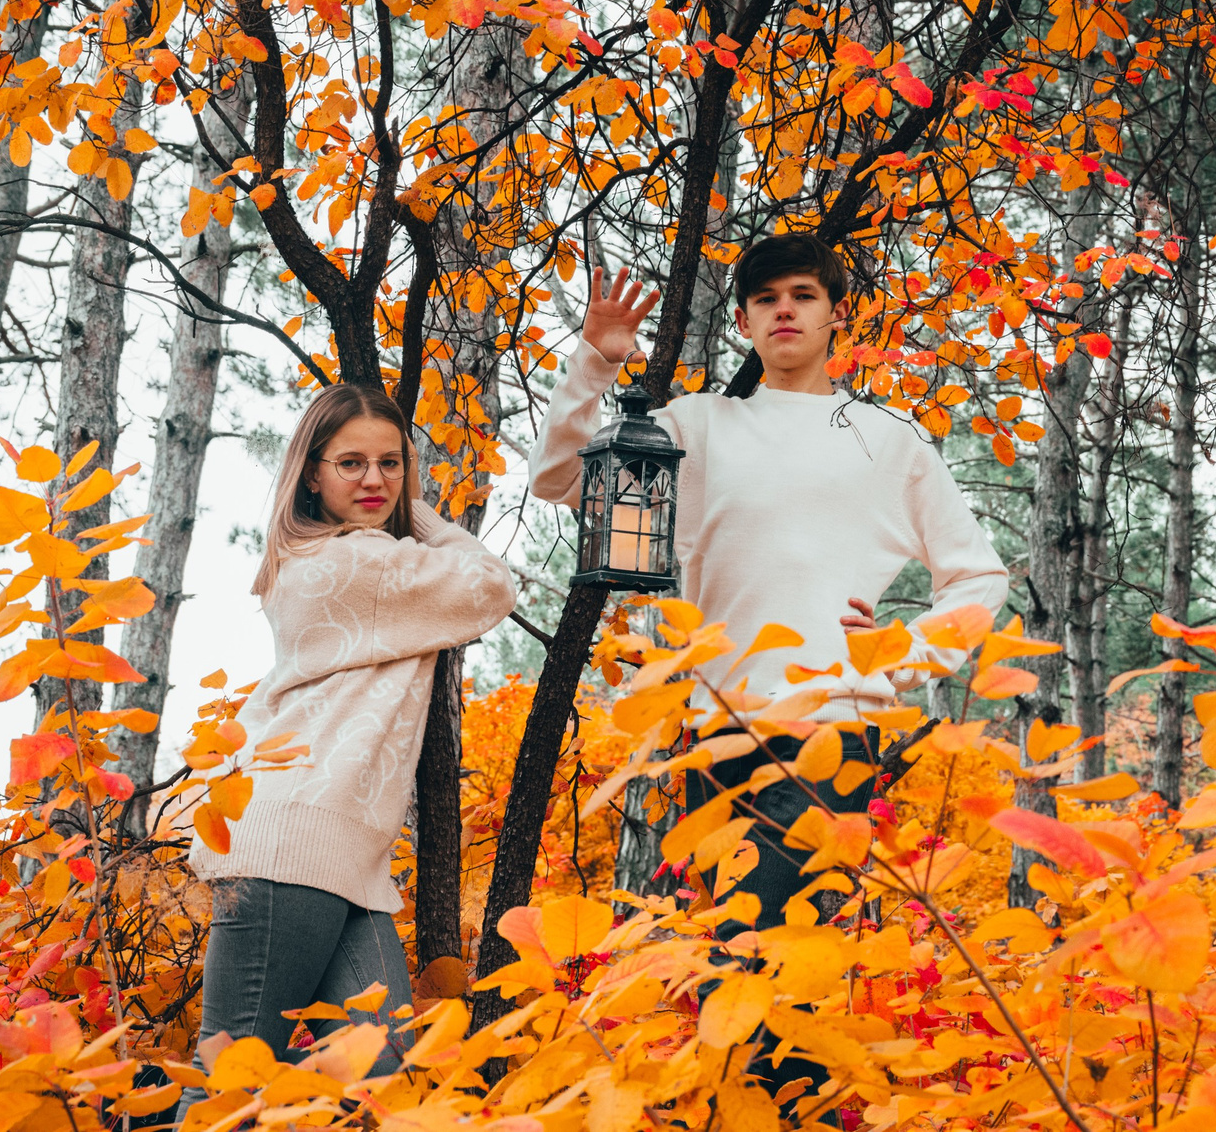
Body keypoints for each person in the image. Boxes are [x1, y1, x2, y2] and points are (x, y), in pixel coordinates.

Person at [532, 233, 1010, 1102]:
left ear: (835, 312)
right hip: (716, 731)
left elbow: (979, 574)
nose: (785, 309)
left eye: (803, 294)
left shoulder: (886, 440)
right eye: (766, 298)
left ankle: (777, 1107)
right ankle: (768, 1107)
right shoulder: (701, 423)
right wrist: (596, 360)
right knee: (732, 963)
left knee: (772, 958)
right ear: (747, 317)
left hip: (834, 730)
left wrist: (906, 649)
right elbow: (563, 478)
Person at [181, 382, 515, 1109]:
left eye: (392, 465)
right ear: (312, 473)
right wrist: (417, 511)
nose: (374, 480)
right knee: (230, 1086)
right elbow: (491, 585)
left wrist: (400, 505)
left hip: (345, 861)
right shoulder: (354, 562)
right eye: (352, 463)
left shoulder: (339, 560)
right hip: (292, 844)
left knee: (383, 1081)